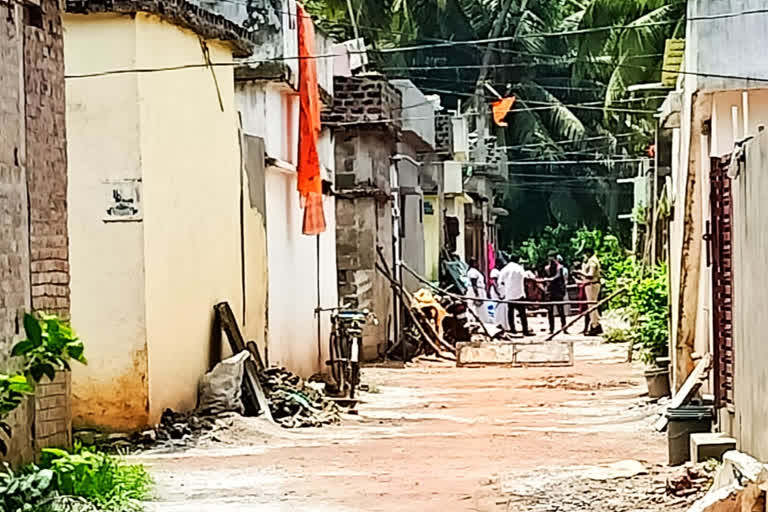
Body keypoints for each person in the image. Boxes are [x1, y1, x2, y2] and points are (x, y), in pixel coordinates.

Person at [499, 254, 531, 336]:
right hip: (519, 293)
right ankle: (525, 330)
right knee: (522, 313)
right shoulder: (519, 268)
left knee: (510, 312)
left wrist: (503, 292)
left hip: (509, 294)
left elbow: (500, 282)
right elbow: (526, 278)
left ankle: (513, 329)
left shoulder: (504, 269)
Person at [576, 247, 603, 336]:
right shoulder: (592, 261)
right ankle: (594, 324)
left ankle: (595, 325)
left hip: (592, 284)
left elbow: (590, 275)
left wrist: (580, 273)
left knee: (592, 306)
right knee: (591, 305)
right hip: (590, 284)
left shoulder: (592, 262)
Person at [540, 252, 568, 334]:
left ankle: (564, 327)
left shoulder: (560, 267)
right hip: (551, 291)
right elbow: (546, 277)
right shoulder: (547, 268)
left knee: (561, 310)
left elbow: (558, 276)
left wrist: (550, 279)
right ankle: (551, 328)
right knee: (550, 311)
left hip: (558, 290)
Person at [466, 258, 488, 323]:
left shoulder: (475, 271)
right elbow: (474, 284)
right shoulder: (473, 272)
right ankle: (473, 320)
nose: (477, 264)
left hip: (478, 290)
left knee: (480, 306)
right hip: (475, 290)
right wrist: (477, 294)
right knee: (475, 306)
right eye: (476, 262)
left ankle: (479, 320)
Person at [489, 260, 509, 330]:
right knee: (497, 308)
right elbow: (494, 283)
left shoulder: (500, 271)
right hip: (497, 292)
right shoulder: (494, 271)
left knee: (503, 308)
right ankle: (497, 323)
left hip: (501, 292)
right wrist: (498, 293)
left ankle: (503, 323)